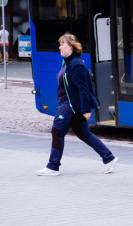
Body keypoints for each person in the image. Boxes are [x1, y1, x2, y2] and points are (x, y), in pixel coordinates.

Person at [36, 33, 118, 176]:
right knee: (84, 134)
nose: (59, 46)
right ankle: (109, 158)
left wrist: (86, 110)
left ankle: (52, 166)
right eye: (60, 43)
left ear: (71, 47)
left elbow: (83, 88)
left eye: (62, 44)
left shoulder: (76, 64)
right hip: (68, 103)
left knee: (56, 131)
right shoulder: (67, 62)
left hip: (71, 105)